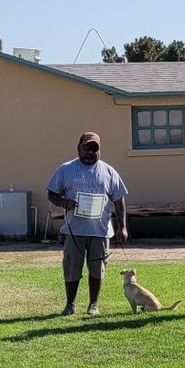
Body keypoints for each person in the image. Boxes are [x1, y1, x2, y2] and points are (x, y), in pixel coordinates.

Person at [46, 132, 129, 316]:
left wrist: (122, 226)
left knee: (97, 270)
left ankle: (93, 305)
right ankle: (70, 304)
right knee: (71, 269)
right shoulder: (65, 169)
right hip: (74, 231)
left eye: (94, 149)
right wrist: (63, 203)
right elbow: (51, 193)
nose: (90, 152)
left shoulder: (108, 172)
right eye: (86, 148)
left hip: (100, 231)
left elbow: (119, 200)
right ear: (78, 147)